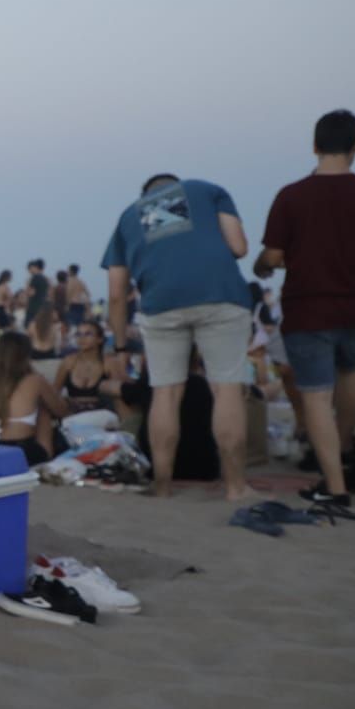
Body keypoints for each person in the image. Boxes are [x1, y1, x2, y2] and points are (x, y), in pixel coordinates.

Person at [254, 110, 355, 508]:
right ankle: (343, 450)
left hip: (308, 308)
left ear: (315, 146)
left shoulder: (291, 196)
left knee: (317, 396)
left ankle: (334, 487)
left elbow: (273, 255)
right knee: (352, 374)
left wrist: (261, 265)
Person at [103, 172, 253, 500]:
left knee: (165, 394)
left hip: (161, 304)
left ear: (146, 195)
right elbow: (239, 247)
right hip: (220, 295)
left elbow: (116, 293)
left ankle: (163, 486)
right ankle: (235, 488)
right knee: (226, 389)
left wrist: (120, 345)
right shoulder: (207, 190)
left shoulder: (130, 216)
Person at [0, 332, 71, 465]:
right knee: (44, 408)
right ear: (25, 355)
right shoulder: (35, 380)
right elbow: (61, 410)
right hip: (20, 451)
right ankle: (48, 457)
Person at [56, 319, 125, 412]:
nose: (82, 338)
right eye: (78, 334)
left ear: (99, 339)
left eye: (88, 334)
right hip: (72, 414)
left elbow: (120, 393)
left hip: (102, 414)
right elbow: (55, 392)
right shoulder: (69, 361)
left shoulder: (109, 362)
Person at [23, 259, 50, 327]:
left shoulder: (34, 278)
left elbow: (31, 293)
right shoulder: (45, 279)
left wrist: (27, 288)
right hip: (43, 306)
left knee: (28, 326)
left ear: (34, 267)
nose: (29, 271)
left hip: (33, 307)